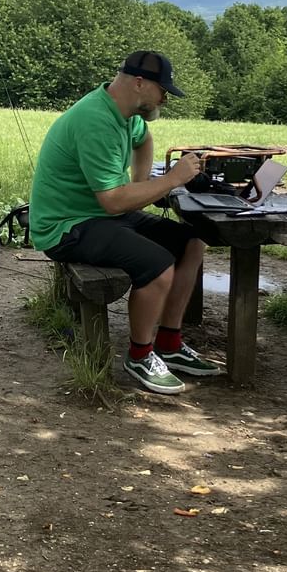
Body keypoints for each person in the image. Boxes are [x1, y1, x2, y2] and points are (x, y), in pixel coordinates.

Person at [29, 50, 222, 395]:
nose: (165, 99)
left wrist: (142, 183)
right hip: (66, 226)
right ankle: (140, 355)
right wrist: (171, 180)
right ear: (139, 83)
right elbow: (114, 200)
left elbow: (143, 139)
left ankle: (170, 343)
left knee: (192, 243)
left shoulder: (126, 113)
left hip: (103, 216)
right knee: (158, 265)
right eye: (163, 90)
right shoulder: (95, 120)